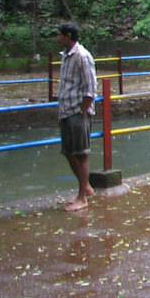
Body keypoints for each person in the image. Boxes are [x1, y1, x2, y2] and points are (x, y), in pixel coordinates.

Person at [55, 22, 97, 212]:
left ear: (68, 36)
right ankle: (85, 187)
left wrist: (83, 109)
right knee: (68, 152)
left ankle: (82, 197)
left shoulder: (82, 56)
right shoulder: (66, 56)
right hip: (65, 110)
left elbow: (91, 87)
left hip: (77, 112)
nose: (57, 38)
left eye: (60, 35)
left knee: (81, 153)